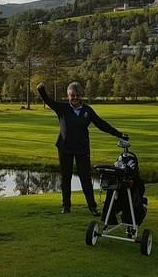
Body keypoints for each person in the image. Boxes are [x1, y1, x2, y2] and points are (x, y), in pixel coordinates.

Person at [37, 81, 128, 216]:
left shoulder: (87, 110)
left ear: (81, 95)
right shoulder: (62, 108)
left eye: (77, 95)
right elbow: (49, 101)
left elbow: (101, 124)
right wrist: (41, 90)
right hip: (65, 147)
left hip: (82, 148)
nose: (75, 98)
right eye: (72, 95)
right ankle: (66, 206)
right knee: (66, 178)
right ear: (68, 95)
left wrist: (119, 134)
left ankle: (92, 207)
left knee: (86, 178)